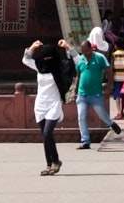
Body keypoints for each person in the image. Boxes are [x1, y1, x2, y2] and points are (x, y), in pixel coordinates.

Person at [25, 38, 69, 174]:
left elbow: (76, 61)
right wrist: (32, 47)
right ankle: (50, 164)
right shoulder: (39, 67)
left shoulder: (60, 68)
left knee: (47, 132)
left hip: (54, 104)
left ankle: (55, 161)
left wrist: (68, 47)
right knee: (45, 136)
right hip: (40, 104)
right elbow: (26, 60)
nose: (46, 59)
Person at [73, 37, 111, 149]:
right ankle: (85, 141)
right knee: (81, 117)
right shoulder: (80, 60)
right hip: (82, 94)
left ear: (91, 49)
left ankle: (111, 124)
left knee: (102, 115)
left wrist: (109, 87)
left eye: (87, 51)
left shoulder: (100, 58)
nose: (85, 54)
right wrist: (75, 90)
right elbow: (78, 76)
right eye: (83, 52)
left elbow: (109, 71)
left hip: (96, 94)